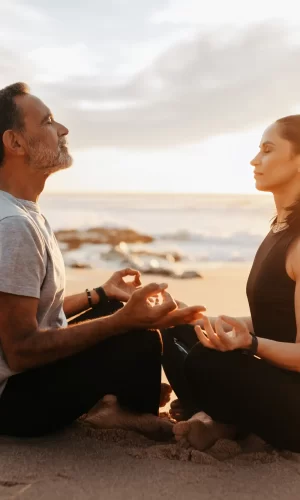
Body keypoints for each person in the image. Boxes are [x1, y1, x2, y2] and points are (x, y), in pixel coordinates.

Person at [0, 82, 205, 438]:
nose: (62, 130)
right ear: (15, 142)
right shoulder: (14, 225)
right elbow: (19, 350)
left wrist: (100, 294)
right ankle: (123, 413)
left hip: (20, 381)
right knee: (137, 337)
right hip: (13, 406)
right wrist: (122, 321)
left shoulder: (21, 212)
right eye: (48, 121)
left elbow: (24, 308)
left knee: (121, 317)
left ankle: (115, 402)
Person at [162, 115, 300, 452]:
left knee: (204, 361)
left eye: (268, 150)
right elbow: (278, 319)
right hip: (270, 380)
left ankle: (219, 419)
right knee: (170, 327)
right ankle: (219, 417)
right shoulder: (279, 229)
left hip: (294, 404)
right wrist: (211, 322)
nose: (255, 160)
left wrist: (249, 344)